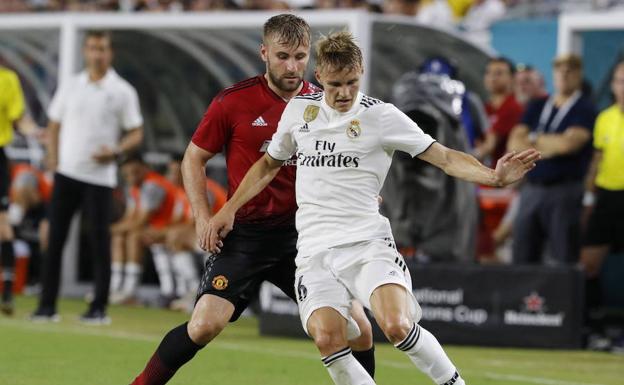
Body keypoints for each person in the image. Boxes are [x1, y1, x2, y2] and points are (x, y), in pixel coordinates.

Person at [207, 31, 539, 385]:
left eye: (352, 82)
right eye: (335, 84)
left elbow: (443, 156)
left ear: (361, 71)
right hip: (314, 251)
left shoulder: (381, 116)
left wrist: (493, 177)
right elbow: (267, 165)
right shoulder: (299, 112)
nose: (345, 92)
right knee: (327, 338)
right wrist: (229, 209)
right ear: (318, 77)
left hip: (367, 244)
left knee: (397, 326)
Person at [129, 15, 375, 385]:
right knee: (203, 325)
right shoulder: (233, 102)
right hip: (246, 236)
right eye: (282, 56)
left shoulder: (323, 102)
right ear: (264, 53)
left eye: (300, 56)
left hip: (305, 239)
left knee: (360, 331)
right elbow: (193, 158)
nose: (292, 66)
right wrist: (202, 217)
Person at [31, 30, 143, 323]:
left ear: (110, 53)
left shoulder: (122, 90)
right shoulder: (71, 86)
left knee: (99, 243)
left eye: (103, 49)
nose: (97, 54)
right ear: (85, 51)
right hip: (67, 173)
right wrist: (54, 158)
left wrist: (116, 151)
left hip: (100, 177)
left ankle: (98, 308)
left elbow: (136, 132)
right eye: (93, 48)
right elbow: (54, 124)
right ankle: (46, 307)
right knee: (54, 240)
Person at [508, 54, 596, 265]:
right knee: (522, 253)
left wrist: (533, 139)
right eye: (559, 69)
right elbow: (513, 143)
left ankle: (564, 299)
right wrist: (552, 144)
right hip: (532, 188)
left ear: (578, 75)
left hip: (565, 191)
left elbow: (568, 145)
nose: (564, 74)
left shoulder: (585, 108)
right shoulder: (537, 105)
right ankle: (520, 298)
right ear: (553, 74)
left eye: (570, 69)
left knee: (563, 255)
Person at [579, 60, 624, 311]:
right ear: (614, 85)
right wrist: (589, 200)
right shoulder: (604, 118)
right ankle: (593, 329)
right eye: (620, 80)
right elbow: (596, 162)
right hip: (606, 198)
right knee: (588, 265)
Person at [109, 154, 180, 305]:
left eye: (135, 172)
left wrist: (108, 230)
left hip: (170, 228)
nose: (130, 177)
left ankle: (129, 291)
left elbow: (141, 220)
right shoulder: (134, 187)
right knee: (119, 237)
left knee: (133, 235)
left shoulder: (152, 185)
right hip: (158, 228)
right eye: (126, 174)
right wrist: (116, 230)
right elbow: (129, 217)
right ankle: (116, 287)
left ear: (144, 168)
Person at [0, 65, 25, 315]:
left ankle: (7, 291)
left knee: (3, 227)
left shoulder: (8, 79)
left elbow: (18, 119)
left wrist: (35, 132)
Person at [474, 57, 524, 167]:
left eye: (499, 73)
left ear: (512, 78)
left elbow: (489, 146)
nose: (492, 77)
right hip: (483, 173)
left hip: (500, 175)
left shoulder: (512, 107)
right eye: (488, 73)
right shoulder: (486, 107)